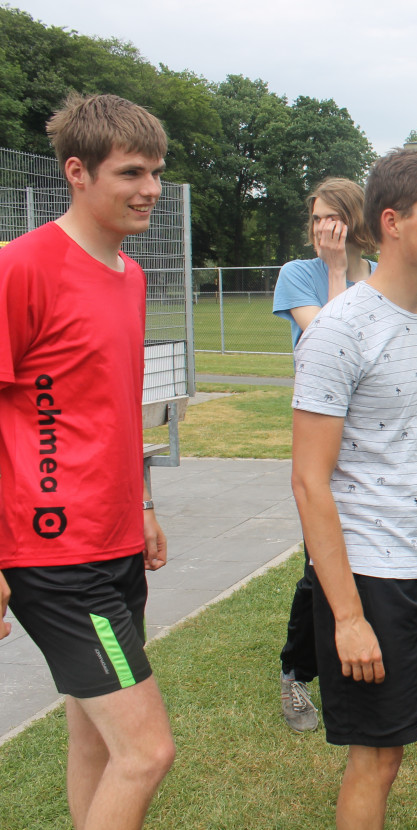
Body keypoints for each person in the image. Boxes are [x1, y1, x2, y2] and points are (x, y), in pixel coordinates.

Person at [290, 149, 417, 830]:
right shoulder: (340, 331)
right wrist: (347, 616)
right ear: (393, 222)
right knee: (378, 757)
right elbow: (309, 481)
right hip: (370, 574)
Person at [0, 93, 176, 829]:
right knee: (147, 751)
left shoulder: (130, 277)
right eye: (130, 173)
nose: (150, 190)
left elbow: (115, 404)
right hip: (57, 556)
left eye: (158, 172)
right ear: (77, 172)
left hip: (115, 541)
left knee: (95, 737)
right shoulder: (21, 268)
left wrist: (140, 503)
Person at [272, 177, 377, 732]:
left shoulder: (384, 276)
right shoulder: (300, 275)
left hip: (374, 443)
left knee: (368, 555)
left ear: (354, 222)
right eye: (314, 220)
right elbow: (331, 344)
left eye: (330, 219)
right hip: (324, 441)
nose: (320, 230)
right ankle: (295, 673)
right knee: (320, 561)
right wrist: (336, 271)